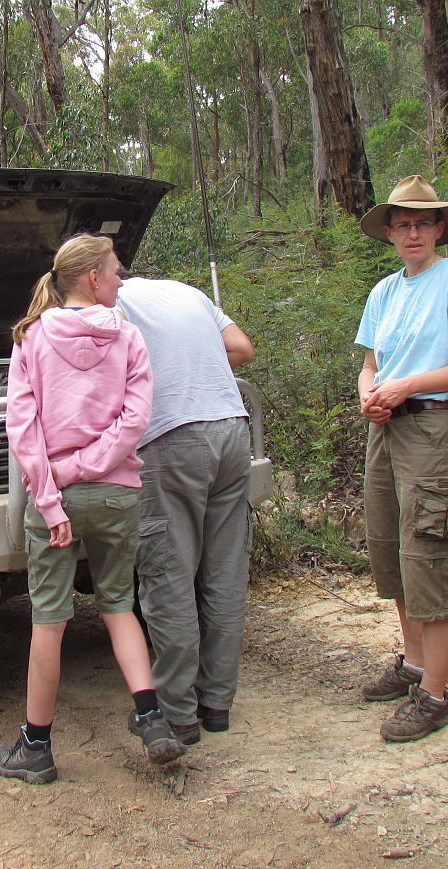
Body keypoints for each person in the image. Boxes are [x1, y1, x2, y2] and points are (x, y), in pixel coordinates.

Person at [0, 234, 184, 784]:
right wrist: (94, 464)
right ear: (93, 279)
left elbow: (23, 429)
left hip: (54, 497)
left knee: (49, 622)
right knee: (119, 605)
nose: (122, 281)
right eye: (117, 272)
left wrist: (54, 491)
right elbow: (135, 419)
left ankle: (36, 747)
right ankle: (152, 720)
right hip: (117, 491)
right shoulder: (129, 337)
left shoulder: (30, 338)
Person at [353, 175, 448, 742]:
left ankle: (434, 695)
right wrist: (370, 391)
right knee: (391, 550)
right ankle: (413, 664)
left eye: (422, 223)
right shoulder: (384, 292)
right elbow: (371, 361)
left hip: (434, 430)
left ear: (439, 228)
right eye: (402, 224)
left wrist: (408, 386)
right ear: (388, 231)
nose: (412, 233)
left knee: (429, 555)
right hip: (387, 430)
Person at [115, 275, 254, 745]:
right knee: (224, 572)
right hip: (233, 430)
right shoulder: (187, 292)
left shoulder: (110, 299)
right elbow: (241, 348)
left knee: (169, 574)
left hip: (172, 437)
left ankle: (177, 713)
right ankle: (216, 703)